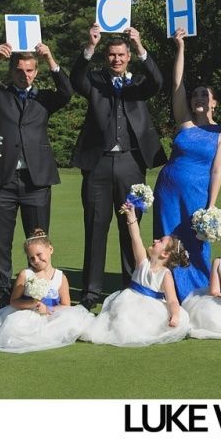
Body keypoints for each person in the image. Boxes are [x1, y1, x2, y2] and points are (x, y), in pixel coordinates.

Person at [0, 41, 71, 308]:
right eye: (19, 70)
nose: (25, 75)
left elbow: (66, 92)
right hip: (3, 179)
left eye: (30, 70)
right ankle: (2, 294)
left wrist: (50, 58)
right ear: (11, 71)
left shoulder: (45, 98)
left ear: (36, 72)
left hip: (36, 181)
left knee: (37, 242)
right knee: (0, 241)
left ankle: (36, 292)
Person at [72, 23, 167, 309]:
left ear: (127, 57)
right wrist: (90, 46)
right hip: (97, 164)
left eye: (121, 55)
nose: (116, 59)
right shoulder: (95, 82)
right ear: (106, 57)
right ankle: (90, 292)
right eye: (112, 55)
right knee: (95, 227)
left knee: (132, 228)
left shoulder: (139, 83)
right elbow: (77, 80)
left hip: (131, 163)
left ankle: (132, 286)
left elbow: (158, 81)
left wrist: (140, 47)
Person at [153, 28, 221, 301]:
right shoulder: (184, 123)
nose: (199, 98)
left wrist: (211, 205)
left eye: (205, 95)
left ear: (215, 103)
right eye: (197, 94)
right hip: (168, 192)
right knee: (165, 240)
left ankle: (197, 292)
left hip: (197, 196)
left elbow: (218, 170)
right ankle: (167, 291)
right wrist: (180, 48)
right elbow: (177, 85)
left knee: (194, 244)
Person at [0, 229, 92, 352]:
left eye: (39, 254)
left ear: (50, 249)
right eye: (31, 258)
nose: (36, 260)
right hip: (27, 314)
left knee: (74, 323)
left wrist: (48, 309)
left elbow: (66, 305)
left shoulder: (61, 277)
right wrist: (33, 304)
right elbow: (14, 301)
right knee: (16, 333)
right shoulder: (26, 274)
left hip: (52, 315)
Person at [81, 202, 191, 347]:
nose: (155, 240)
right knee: (119, 320)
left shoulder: (165, 275)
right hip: (128, 300)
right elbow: (136, 238)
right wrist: (131, 215)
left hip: (150, 309)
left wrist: (175, 315)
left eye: (160, 241)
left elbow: (172, 301)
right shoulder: (142, 262)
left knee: (135, 327)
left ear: (164, 253)